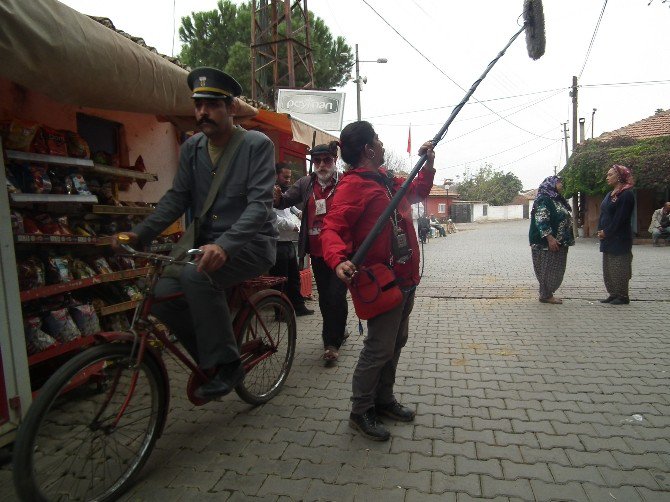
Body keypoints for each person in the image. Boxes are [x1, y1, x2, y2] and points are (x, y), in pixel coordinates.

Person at [113, 67, 277, 398]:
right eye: (198, 105)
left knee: (195, 276)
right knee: (158, 293)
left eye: (213, 105)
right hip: (203, 245)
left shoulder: (256, 145)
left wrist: (226, 246)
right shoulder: (191, 148)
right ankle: (211, 356)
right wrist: (140, 234)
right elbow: (178, 197)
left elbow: (259, 206)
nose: (203, 112)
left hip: (251, 244)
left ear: (231, 108)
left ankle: (228, 364)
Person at [320, 121, 435, 441]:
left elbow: (418, 192)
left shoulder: (387, 180)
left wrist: (428, 163)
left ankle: (384, 400)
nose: (383, 145)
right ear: (369, 149)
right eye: (379, 141)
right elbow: (332, 228)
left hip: (405, 277)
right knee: (378, 347)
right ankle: (360, 411)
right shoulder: (353, 186)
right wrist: (338, 259)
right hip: (381, 282)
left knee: (396, 342)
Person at [274, 142, 348, 363]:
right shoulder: (306, 183)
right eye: (317, 161)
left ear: (335, 161)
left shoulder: (345, 182)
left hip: (342, 251)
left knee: (336, 294)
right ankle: (337, 331)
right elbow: (285, 201)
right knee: (327, 296)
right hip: (317, 251)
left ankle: (331, 344)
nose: (322, 165)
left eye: (327, 160)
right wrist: (277, 197)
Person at [269, 163, 314, 316]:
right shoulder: (269, 193)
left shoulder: (286, 193)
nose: (288, 180)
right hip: (276, 244)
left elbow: (293, 209)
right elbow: (273, 218)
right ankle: (280, 312)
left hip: (288, 243)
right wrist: (293, 226)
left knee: (294, 278)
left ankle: (299, 307)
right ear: (276, 176)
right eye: (285, 177)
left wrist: (302, 214)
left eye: (290, 177)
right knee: (280, 281)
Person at [528, 176, 575, 304]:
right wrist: (550, 238)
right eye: (559, 182)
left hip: (558, 242)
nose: (561, 184)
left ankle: (546, 294)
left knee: (553, 269)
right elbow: (541, 219)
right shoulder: (544, 199)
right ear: (551, 184)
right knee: (547, 269)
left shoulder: (556, 199)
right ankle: (546, 295)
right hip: (546, 243)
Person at [597, 164, 635, 305]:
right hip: (607, 238)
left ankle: (622, 296)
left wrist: (607, 231)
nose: (607, 177)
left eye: (610, 174)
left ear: (619, 176)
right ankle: (613, 293)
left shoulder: (626, 194)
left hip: (619, 237)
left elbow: (620, 218)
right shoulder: (610, 194)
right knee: (609, 266)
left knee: (619, 265)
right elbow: (604, 213)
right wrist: (600, 230)